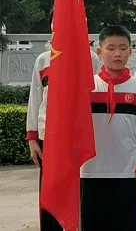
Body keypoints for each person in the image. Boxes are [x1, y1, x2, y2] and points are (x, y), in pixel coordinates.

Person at [80, 25, 136, 231]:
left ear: (131, 51)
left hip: (126, 173)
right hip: (90, 172)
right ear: (99, 52)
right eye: (111, 48)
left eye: (123, 48)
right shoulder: (87, 86)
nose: (117, 54)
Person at [26, 42, 101, 231]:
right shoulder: (43, 60)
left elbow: (96, 94)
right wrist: (33, 137)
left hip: (77, 136)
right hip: (48, 136)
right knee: (51, 192)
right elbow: (35, 99)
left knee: (79, 191)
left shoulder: (90, 58)